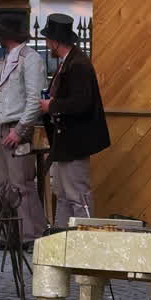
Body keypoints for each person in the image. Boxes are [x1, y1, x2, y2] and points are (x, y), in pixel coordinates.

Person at [39, 14, 109, 224]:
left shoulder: (78, 64)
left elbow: (81, 103)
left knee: (77, 196)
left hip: (75, 141)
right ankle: (63, 239)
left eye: (48, 39)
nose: (46, 43)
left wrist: (51, 105)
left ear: (55, 41)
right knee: (63, 196)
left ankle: (83, 240)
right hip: (65, 142)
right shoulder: (69, 62)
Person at [0, 17, 48, 241]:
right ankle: (12, 232)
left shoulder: (30, 59)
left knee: (21, 183)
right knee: (3, 183)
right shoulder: (6, 59)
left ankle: (32, 233)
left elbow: (34, 100)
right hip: (1, 125)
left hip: (15, 127)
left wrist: (20, 129)